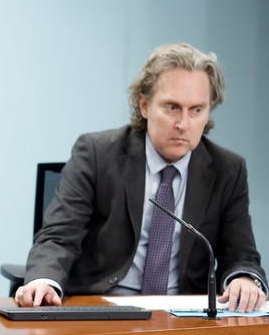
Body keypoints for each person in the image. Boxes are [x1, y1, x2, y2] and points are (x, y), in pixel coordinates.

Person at [16, 43, 266, 313]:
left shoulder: (228, 169)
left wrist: (244, 278)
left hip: (184, 317)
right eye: (172, 107)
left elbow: (241, 253)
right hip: (104, 310)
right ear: (144, 105)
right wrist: (44, 280)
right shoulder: (97, 153)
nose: (184, 124)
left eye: (196, 110)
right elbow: (59, 236)